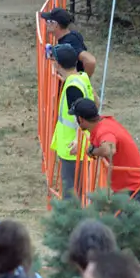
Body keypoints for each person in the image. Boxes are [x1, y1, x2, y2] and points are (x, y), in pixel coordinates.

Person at [72, 99, 140, 200]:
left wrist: (93, 151)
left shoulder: (103, 131)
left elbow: (109, 150)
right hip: (131, 188)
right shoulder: (104, 123)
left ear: (81, 119)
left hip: (136, 190)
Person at [49, 44, 94, 198]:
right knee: (78, 192)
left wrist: (77, 139)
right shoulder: (80, 78)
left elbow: (80, 116)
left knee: (72, 194)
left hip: (73, 149)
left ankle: (73, 221)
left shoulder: (72, 88)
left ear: (58, 64)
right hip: (77, 147)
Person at [40, 8, 96, 77]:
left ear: (56, 25)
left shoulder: (69, 43)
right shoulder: (71, 35)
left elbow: (90, 61)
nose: (46, 23)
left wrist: (82, 80)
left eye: (48, 21)